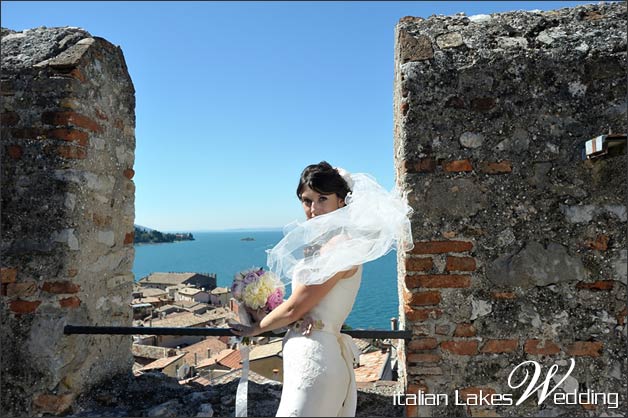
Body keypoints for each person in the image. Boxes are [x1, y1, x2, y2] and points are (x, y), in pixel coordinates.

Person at [231, 161, 413, 417]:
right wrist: (292, 315)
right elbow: (306, 303)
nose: (313, 209)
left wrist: (255, 328)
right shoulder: (324, 245)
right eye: (307, 201)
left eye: (322, 199)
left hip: (315, 360)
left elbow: (295, 306)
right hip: (305, 356)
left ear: (341, 201)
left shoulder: (342, 247)